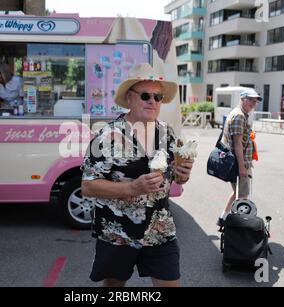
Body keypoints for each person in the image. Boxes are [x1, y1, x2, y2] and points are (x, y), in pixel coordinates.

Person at [81, 63, 194, 287]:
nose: (152, 101)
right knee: (114, 285)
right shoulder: (107, 136)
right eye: (145, 95)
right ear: (130, 98)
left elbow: (175, 178)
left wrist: (183, 174)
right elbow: (88, 186)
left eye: (158, 96)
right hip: (118, 232)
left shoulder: (167, 133)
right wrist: (131, 188)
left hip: (159, 229)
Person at [217, 88, 261, 226]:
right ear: (242, 99)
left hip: (240, 162)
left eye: (255, 101)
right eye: (250, 100)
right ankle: (238, 224)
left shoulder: (240, 114)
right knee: (242, 195)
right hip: (239, 163)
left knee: (239, 192)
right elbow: (237, 143)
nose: (253, 103)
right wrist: (242, 167)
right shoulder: (239, 116)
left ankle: (223, 218)